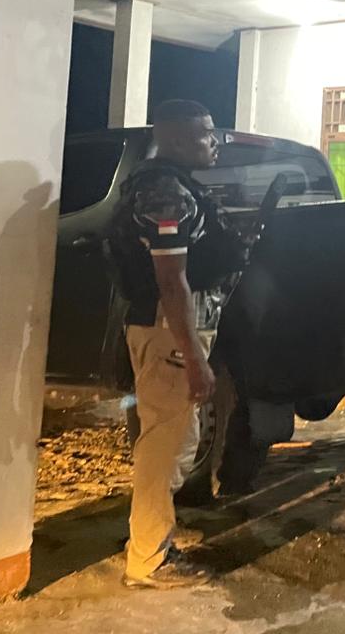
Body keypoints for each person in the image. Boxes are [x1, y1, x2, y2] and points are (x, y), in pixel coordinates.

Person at [110, 99, 243, 588]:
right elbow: (171, 281)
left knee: (171, 438)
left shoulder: (165, 185)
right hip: (168, 332)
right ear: (181, 139)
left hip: (170, 331)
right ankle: (149, 559)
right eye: (207, 133)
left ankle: (150, 541)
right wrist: (192, 358)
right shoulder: (165, 193)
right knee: (166, 444)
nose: (215, 142)